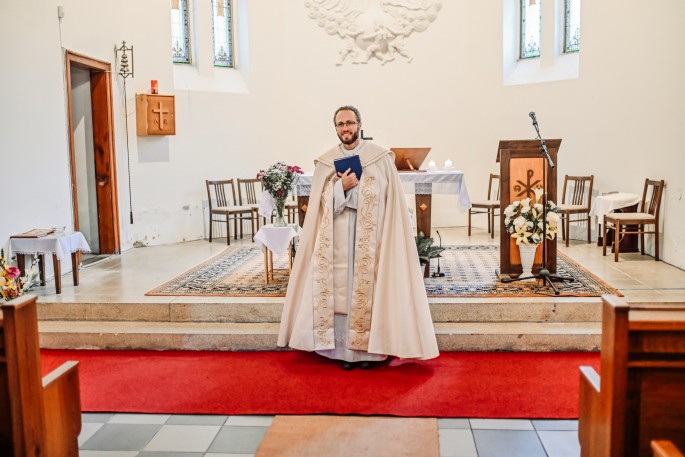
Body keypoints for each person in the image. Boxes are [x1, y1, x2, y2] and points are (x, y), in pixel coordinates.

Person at [277, 105, 439, 369]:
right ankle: (343, 353)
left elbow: (388, 198)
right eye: (340, 125)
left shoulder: (381, 158)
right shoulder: (326, 161)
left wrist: (361, 188)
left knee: (370, 289)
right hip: (336, 240)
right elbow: (319, 205)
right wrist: (340, 188)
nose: (345, 129)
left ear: (360, 125)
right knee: (341, 292)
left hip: (372, 240)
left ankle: (371, 352)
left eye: (350, 123)